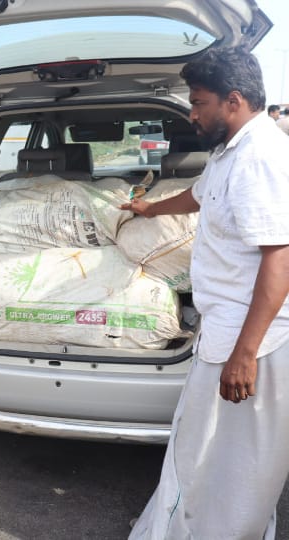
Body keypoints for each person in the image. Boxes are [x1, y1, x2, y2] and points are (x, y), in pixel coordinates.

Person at [122, 46, 289, 539]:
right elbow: (199, 195)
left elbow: (279, 259)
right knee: (206, 453)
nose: (192, 114)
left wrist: (246, 353)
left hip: (253, 340)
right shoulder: (229, 150)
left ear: (233, 100)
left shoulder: (260, 158)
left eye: (199, 103)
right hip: (227, 331)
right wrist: (152, 210)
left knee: (236, 464)